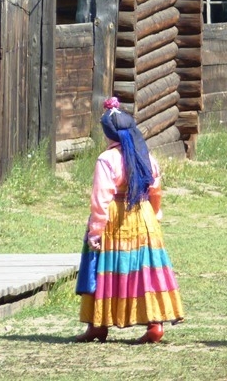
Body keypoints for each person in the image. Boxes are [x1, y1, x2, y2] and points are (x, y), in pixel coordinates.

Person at [74, 97, 184, 343]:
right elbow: (155, 189)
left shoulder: (107, 159)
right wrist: (154, 215)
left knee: (106, 268)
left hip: (116, 217)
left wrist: (95, 231)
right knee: (144, 270)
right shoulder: (146, 157)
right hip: (142, 214)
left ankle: (98, 326)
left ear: (108, 134)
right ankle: (155, 325)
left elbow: (101, 198)